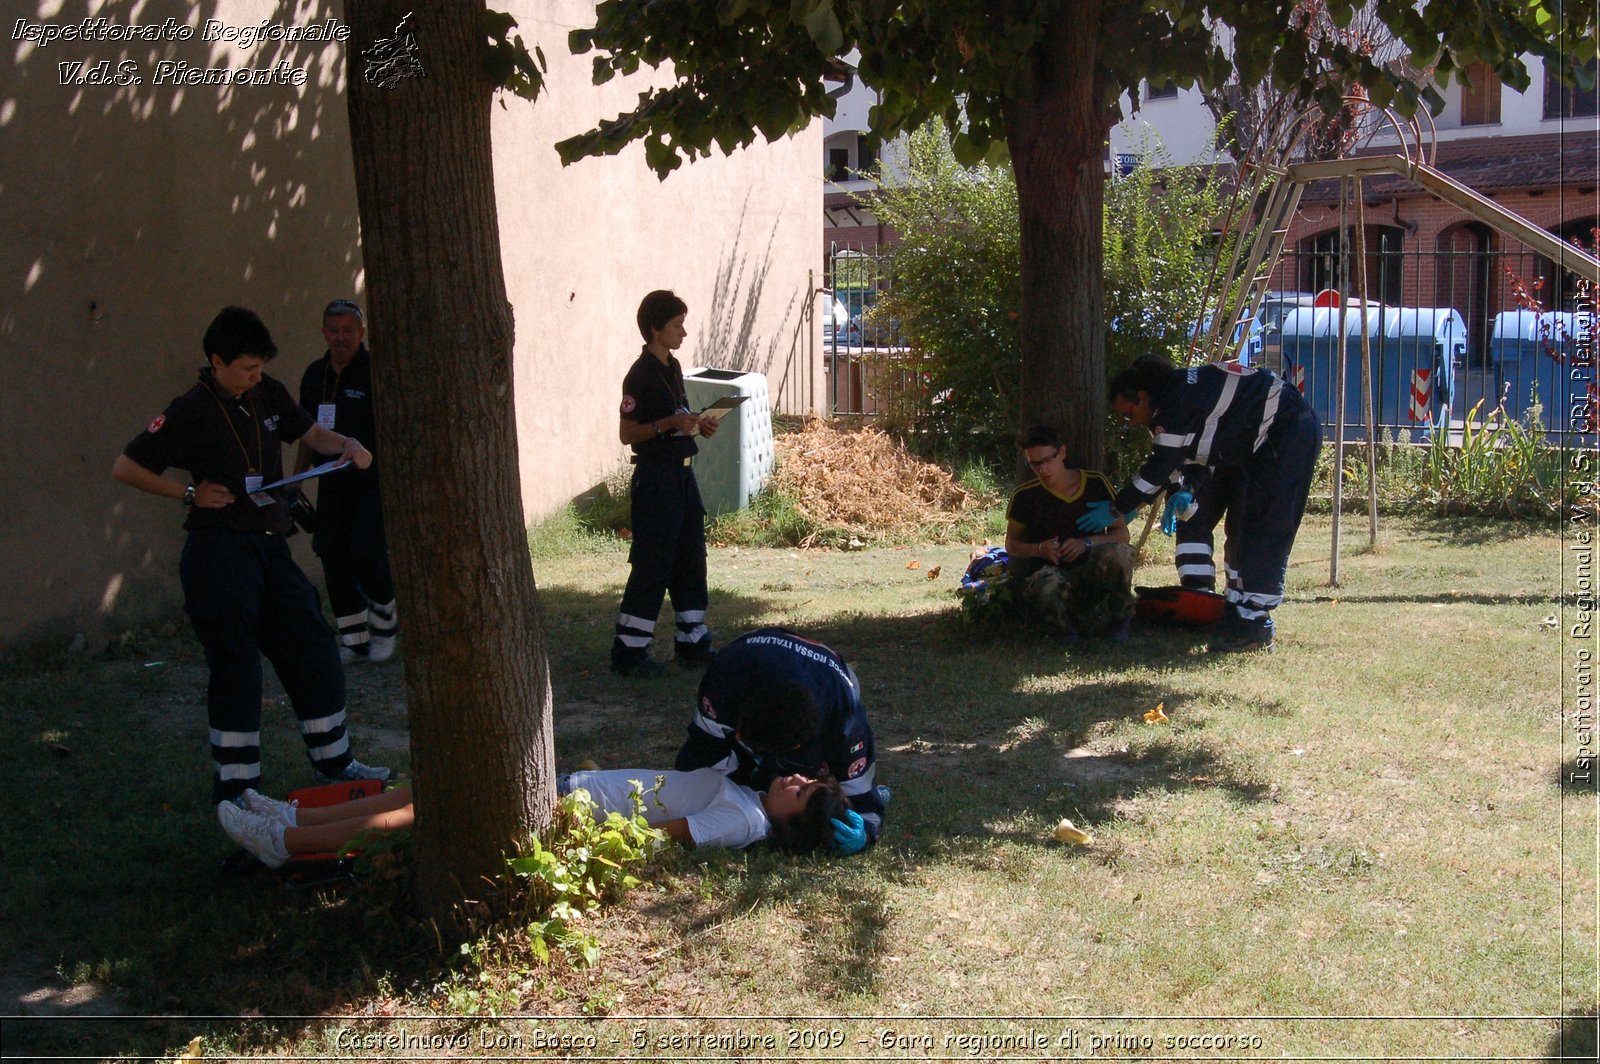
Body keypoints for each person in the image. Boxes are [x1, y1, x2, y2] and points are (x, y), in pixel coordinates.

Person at [113, 306, 390, 805]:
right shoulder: (190, 408)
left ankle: (336, 763)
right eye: (246, 368)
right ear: (217, 362)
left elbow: (310, 434)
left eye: (260, 367)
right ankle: (239, 790)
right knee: (238, 667)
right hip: (219, 553)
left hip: (269, 545)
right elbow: (126, 466)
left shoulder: (269, 392)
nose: (254, 377)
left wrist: (348, 444)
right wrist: (189, 494)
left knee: (312, 647)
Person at [1081, 355, 1321, 653]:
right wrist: (1189, 487)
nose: (1129, 422)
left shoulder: (1176, 403)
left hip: (1287, 434)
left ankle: (1255, 627)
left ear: (1143, 397)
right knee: (1249, 526)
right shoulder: (1180, 396)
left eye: (1129, 413)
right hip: (1266, 439)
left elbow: (1159, 467)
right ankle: (1239, 617)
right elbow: (1202, 452)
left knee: (1266, 525)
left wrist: (1118, 506)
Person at [217, 770, 847, 866]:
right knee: (435, 782)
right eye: (802, 777)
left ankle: (289, 842)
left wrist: (575, 829)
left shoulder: (742, 822)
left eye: (800, 791)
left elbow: (662, 834)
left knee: (424, 810)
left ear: (789, 823)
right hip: (571, 783)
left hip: (570, 807)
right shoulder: (745, 793)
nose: (792, 779)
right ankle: (295, 811)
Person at [675, 628, 884, 855]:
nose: (796, 780)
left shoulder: (846, 724)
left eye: (801, 787)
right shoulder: (726, 678)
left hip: (830, 678)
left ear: (795, 749)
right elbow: (699, 757)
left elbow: (862, 801)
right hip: (752, 652)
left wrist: (864, 835)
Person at [611, 290, 720, 678]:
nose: (684, 332)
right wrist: (668, 425)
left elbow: (677, 415)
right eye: (677, 325)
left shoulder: (672, 367)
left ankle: (693, 641)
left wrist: (696, 423)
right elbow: (628, 434)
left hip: (682, 475)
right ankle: (629, 650)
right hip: (656, 479)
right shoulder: (638, 375)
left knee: (691, 556)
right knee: (653, 562)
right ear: (656, 329)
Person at [295, 299, 397, 665]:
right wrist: (297, 481)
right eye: (333, 330)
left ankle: (385, 628)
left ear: (361, 333)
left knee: (365, 550)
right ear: (324, 332)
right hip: (330, 482)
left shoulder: (375, 372)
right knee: (332, 553)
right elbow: (307, 433)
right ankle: (353, 640)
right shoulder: (314, 375)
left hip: (371, 480)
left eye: (348, 331)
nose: (340, 338)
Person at [1005, 426, 1135, 643]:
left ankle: (1121, 618)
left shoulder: (1096, 483)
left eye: (1048, 460)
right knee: (1044, 585)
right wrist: (1040, 549)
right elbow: (1011, 544)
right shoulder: (1024, 495)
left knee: (1120, 553)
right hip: (1053, 574)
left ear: (1062, 453)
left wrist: (1086, 542)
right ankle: (1064, 631)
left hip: (1094, 568)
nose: (1043, 468)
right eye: (1035, 463)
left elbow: (1122, 534)